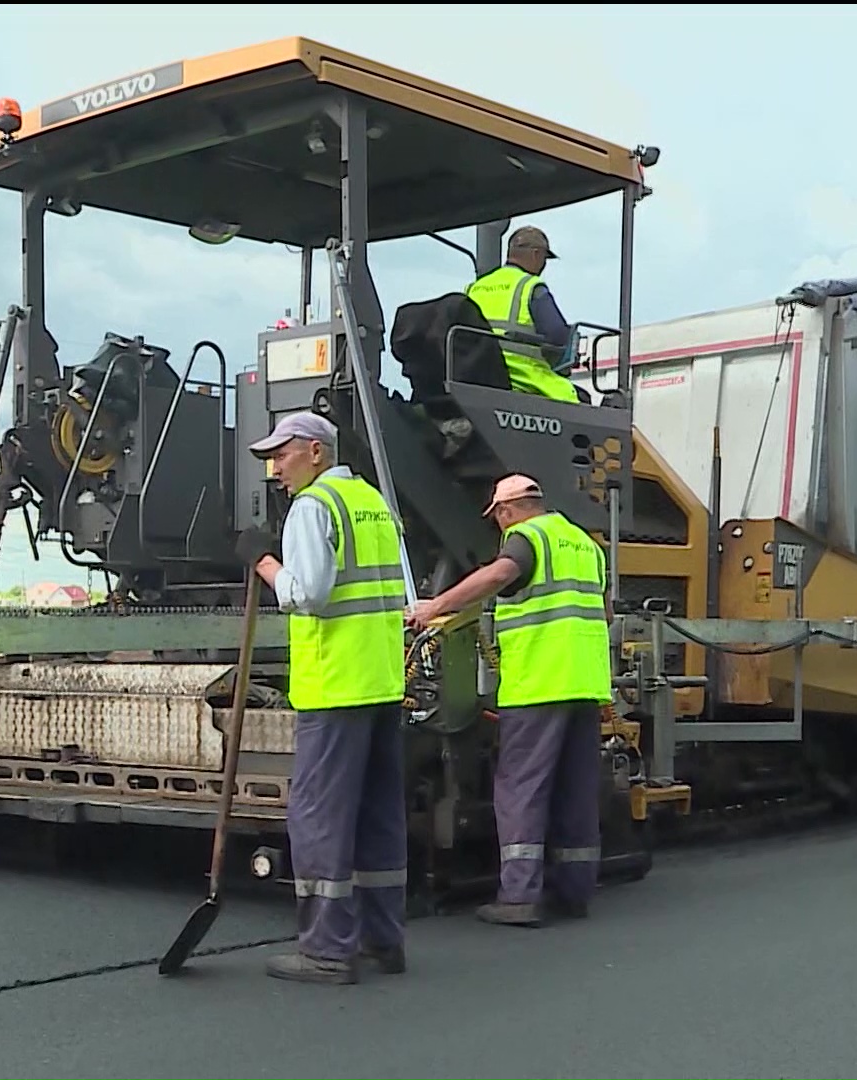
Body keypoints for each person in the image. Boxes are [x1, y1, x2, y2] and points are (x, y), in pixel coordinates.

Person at [234, 411, 410, 985]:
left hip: (335, 686)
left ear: (314, 451)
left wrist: (264, 563)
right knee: (378, 815)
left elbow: (308, 594)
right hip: (381, 682)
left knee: (318, 816)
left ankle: (328, 949)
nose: (274, 467)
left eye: (281, 454)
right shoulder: (371, 503)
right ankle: (384, 940)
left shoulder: (314, 507)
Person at [407, 474, 612, 927]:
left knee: (522, 787)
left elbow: (500, 574)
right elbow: (605, 610)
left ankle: (519, 897)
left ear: (505, 511)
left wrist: (433, 607)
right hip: (586, 683)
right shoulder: (583, 544)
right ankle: (574, 892)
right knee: (575, 791)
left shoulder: (525, 538)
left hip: (540, 685)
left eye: (498, 518)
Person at [466, 225, 581, 403]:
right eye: (544, 258)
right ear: (536, 254)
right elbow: (557, 336)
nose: (544, 265)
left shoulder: (475, 287)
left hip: (478, 375)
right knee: (581, 401)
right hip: (523, 378)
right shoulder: (531, 286)